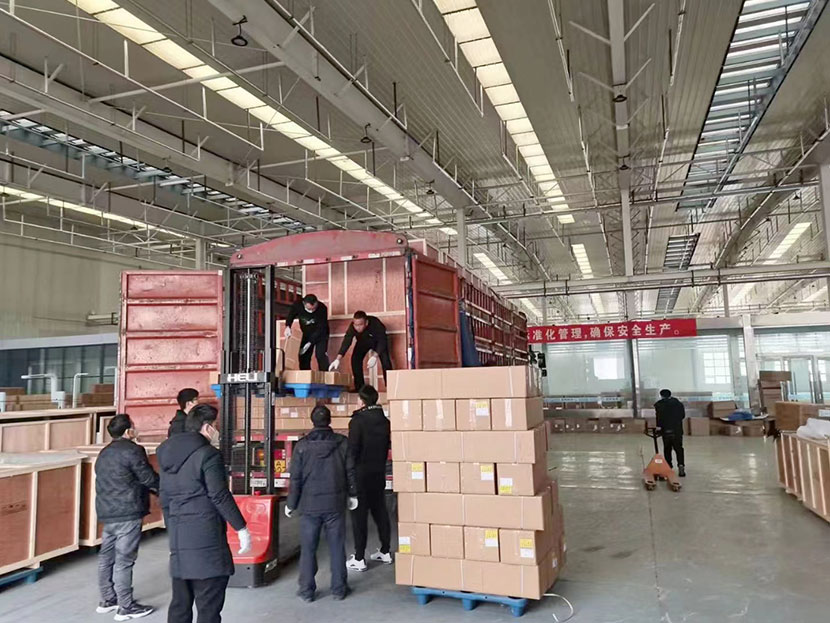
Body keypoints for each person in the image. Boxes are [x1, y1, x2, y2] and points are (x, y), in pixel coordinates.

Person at [158, 404, 251, 623]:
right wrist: (241, 527)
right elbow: (219, 495)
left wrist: (174, 529)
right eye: (215, 426)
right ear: (208, 428)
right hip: (206, 540)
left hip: (179, 541)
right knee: (208, 606)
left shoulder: (166, 454)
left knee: (180, 606)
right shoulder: (208, 455)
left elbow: (164, 496)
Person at [285, 405, 358, 602]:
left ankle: (307, 590)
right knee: (337, 546)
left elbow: (296, 479)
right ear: (329, 420)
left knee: (308, 548)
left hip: (309, 505)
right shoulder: (342, 443)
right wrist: (353, 494)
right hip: (335, 503)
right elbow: (350, 471)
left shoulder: (302, 446)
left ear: (312, 421)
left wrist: (291, 503)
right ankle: (339, 589)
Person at [94, 413, 159, 621]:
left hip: (107, 512)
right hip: (127, 511)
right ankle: (126, 607)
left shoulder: (104, 453)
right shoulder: (133, 450)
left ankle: (108, 600)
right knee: (124, 559)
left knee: (106, 557)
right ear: (128, 431)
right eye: (133, 426)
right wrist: (164, 489)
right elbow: (147, 478)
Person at [346, 385, 392, 572]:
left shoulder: (357, 422)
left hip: (360, 476)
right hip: (378, 473)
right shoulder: (385, 421)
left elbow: (352, 451)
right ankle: (385, 551)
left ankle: (359, 558)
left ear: (363, 401)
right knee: (380, 511)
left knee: (359, 517)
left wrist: (349, 476)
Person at [330, 311, 393, 391]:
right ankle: (359, 388)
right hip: (363, 342)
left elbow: (382, 340)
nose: (358, 328)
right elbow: (347, 341)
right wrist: (338, 359)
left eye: (360, 325)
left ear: (366, 323)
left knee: (386, 361)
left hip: (378, 342)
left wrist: (375, 356)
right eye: (356, 325)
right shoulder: (352, 327)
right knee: (355, 359)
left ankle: (391, 387)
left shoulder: (375, 323)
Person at [285, 294, 330, 371]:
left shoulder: (322, 308)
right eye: (309, 309)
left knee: (320, 355)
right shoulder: (298, 305)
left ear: (317, 303)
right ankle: (306, 375)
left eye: (314, 309)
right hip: (306, 333)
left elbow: (321, 328)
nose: (311, 311)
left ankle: (325, 375)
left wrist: (310, 342)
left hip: (321, 334)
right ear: (304, 303)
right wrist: (288, 326)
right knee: (303, 355)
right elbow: (290, 315)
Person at [655, 389, 686, 477]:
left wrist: (659, 427)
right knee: (678, 448)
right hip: (677, 430)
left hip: (666, 430)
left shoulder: (659, 405)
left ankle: (668, 467)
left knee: (667, 449)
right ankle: (681, 466)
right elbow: (682, 416)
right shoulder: (678, 404)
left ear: (661, 395)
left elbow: (659, 418)